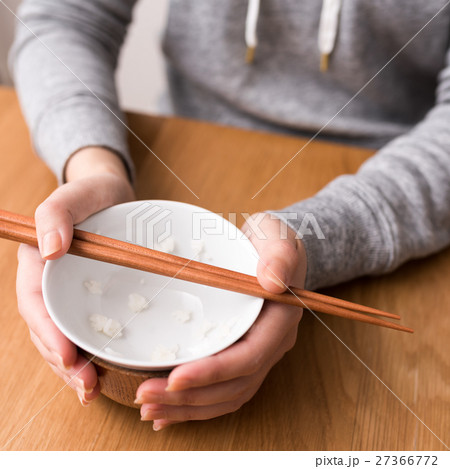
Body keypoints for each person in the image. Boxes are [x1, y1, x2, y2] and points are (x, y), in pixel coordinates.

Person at [10, 0, 450, 431]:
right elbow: (64, 14)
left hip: (388, 173)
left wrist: (315, 238)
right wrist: (94, 167)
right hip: (181, 149)